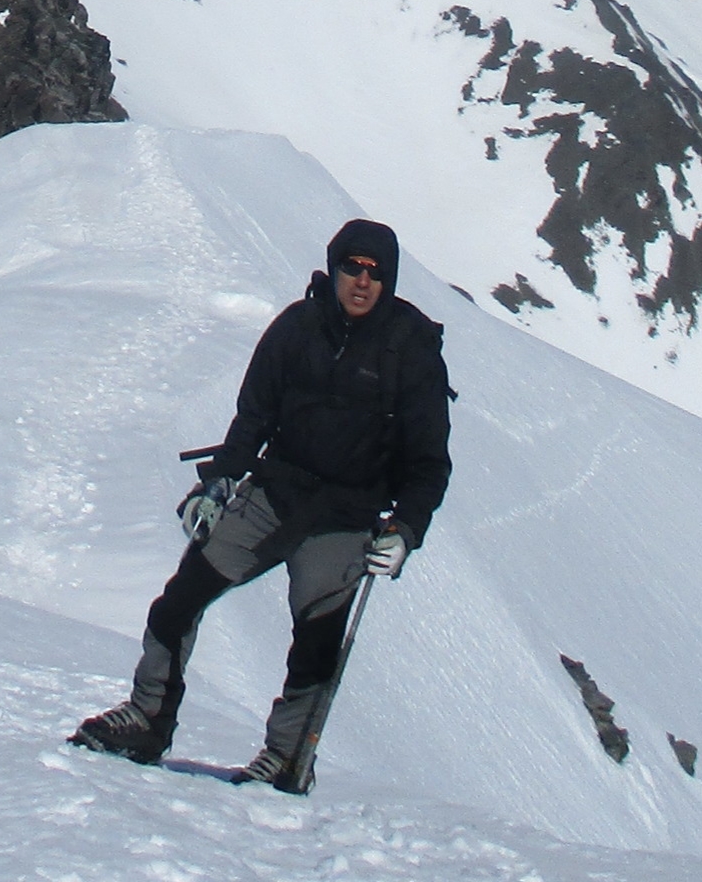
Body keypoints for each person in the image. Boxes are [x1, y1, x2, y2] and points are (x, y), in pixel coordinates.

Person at [70, 216, 453, 790]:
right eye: (353, 266)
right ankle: (148, 719)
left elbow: (428, 463)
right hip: (273, 494)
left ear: (390, 281)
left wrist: (405, 530)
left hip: (346, 518)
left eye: (376, 273)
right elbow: (253, 417)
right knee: (179, 602)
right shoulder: (298, 328)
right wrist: (219, 483)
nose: (362, 282)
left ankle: (285, 759)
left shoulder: (411, 353)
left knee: (317, 641)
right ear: (335, 265)